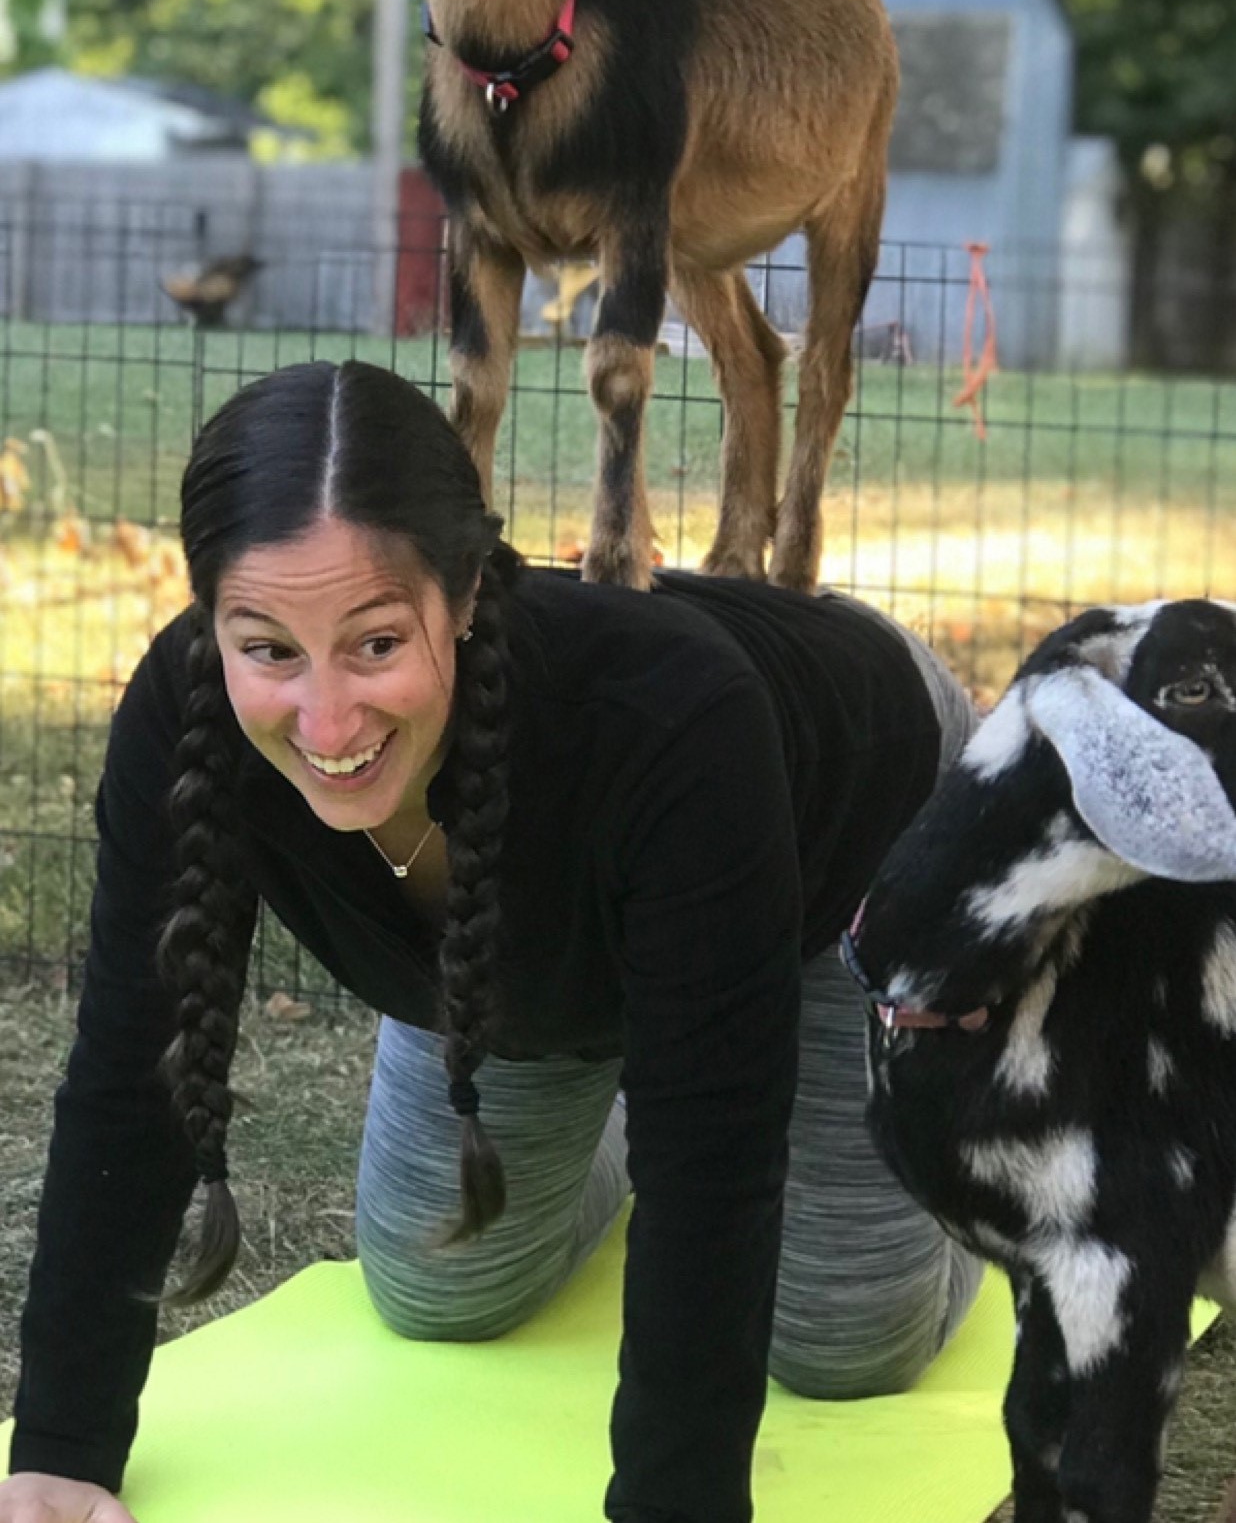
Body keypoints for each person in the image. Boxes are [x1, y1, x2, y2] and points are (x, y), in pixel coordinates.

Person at [1, 359, 981, 1523]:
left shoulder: (675, 719)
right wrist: (62, 1443)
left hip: (848, 828)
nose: (327, 722)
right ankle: (642, 1061)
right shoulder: (189, 715)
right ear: (211, 616)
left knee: (842, 1337)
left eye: (374, 644)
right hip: (531, 950)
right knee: (436, 1286)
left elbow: (717, 1156)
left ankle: (960, 1080)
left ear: (465, 594)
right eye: (268, 648)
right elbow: (132, 1067)